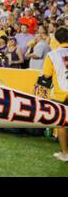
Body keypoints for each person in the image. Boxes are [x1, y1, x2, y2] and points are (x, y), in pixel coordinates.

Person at [41, 27, 68, 162]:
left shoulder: (52, 55)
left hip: (61, 94)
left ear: (56, 39)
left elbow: (46, 75)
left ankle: (65, 153)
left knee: (62, 124)